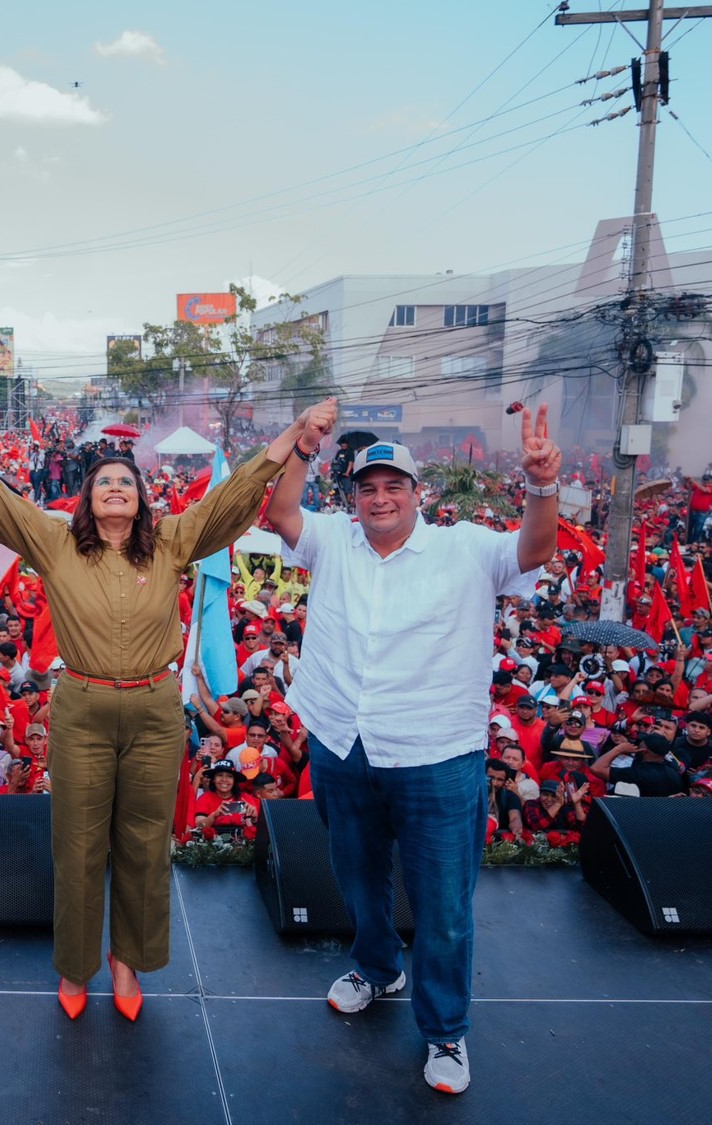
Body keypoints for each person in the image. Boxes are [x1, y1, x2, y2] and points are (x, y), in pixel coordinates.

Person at [0, 391, 325, 1022]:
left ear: (141, 499)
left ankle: (127, 963)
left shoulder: (170, 544)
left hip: (155, 712)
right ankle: (77, 967)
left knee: (143, 842)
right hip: (81, 708)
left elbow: (227, 500)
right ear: (85, 500)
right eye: (102, 481)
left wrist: (292, 439)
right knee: (77, 843)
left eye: (125, 481)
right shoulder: (56, 545)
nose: (115, 487)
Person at [266, 400, 559, 1096]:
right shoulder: (333, 538)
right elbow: (279, 513)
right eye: (367, 488)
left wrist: (543, 484)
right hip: (344, 741)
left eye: (394, 485)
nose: (380, 497)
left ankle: (446, 1031)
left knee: (444, 906)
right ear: (352, 497)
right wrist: (304, 448)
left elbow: (536, 550)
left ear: (418, 493)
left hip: (436, 752)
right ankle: (376, 965)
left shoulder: (467, 547)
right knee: (359, 879)